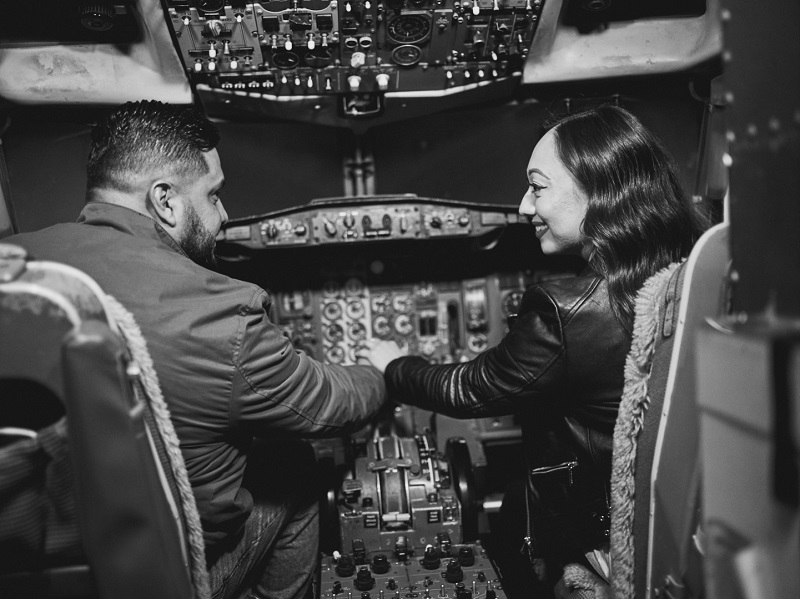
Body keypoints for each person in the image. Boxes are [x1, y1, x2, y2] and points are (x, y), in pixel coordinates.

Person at [6, 100, 388, 599]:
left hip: (34, 566)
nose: (224, 215)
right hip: (160, 582)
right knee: (293, 461)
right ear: (165, 200)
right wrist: (379, 370)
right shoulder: (218, 313)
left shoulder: (19, 265)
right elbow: (325, 406)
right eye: (214, 195)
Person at [358, 104, 708, 598]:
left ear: (601, 192)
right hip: (672, 519)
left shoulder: (567, 308)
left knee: (502, 540)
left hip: (598, 525)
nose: (524, 206)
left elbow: (468, 390)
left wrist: (391, 364)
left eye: (538, 187)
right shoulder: (691, 275)